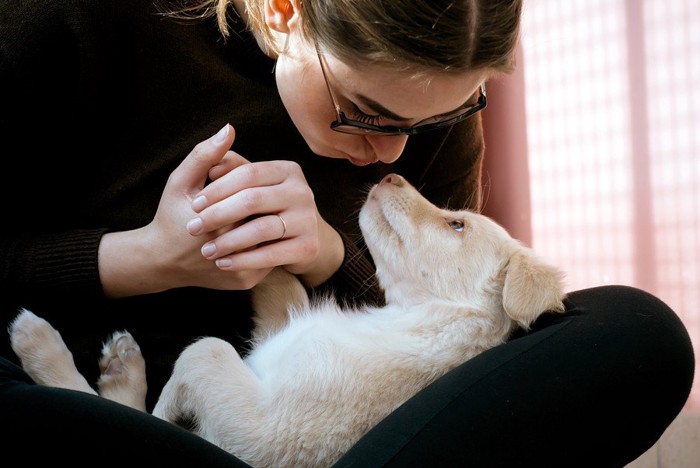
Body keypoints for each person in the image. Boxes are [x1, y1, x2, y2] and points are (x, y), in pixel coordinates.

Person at [0, 0, 694, 466]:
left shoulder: (429, 108)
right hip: (100, 390)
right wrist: (142, 258)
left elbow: (448, 336)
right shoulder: (75, 21)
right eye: (366, 112)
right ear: (283, 11)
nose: (394, 156)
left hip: (339, 431)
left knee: (641, 335)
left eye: (431, 122)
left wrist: (335, 255)